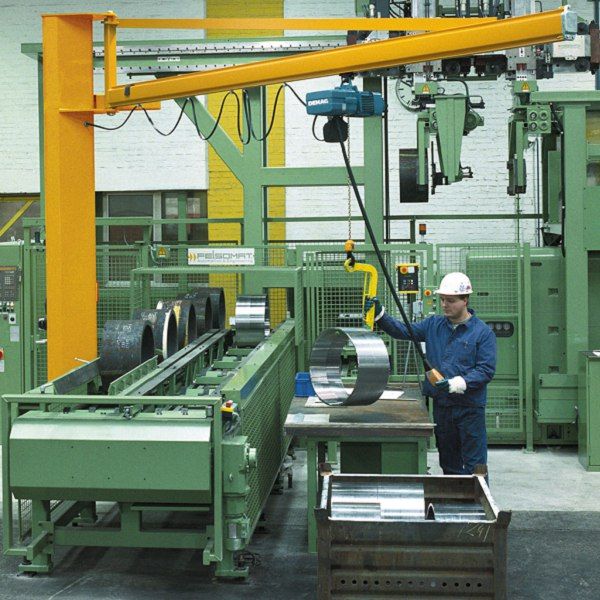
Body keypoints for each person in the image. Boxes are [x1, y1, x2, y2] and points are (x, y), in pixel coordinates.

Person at [364, 272, 496, 476]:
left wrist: (457, 383)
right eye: (442, 299)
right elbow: (403, 331)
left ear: (465, 300)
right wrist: (380, 315)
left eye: (450, 300)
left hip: (469, 409)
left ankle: (478, 496)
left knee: (475, 466)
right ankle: (453, 495)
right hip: (443, 407)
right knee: (449, 463)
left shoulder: (482, 333)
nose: (444, 305)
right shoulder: (434, 325)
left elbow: (485, 370)